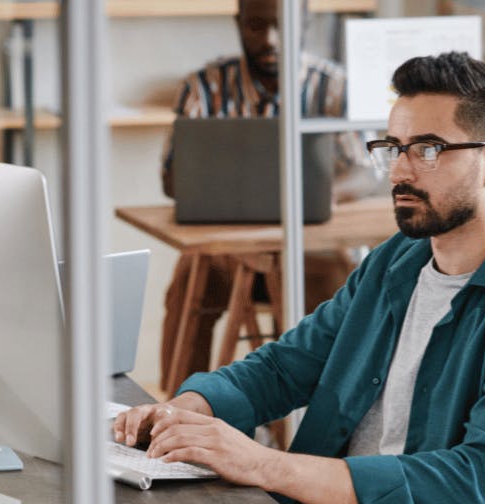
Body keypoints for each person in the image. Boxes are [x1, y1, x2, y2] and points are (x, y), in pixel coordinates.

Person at [118, 52, 485, 504]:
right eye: (393, 148)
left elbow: (478, 482)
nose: (399, 171)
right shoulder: (397, 261)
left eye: (428, 149)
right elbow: (284, 367)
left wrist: (262, 464)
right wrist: (183, 412)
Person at [159, 0, 378, 383]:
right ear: (238, 24)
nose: (270, 40)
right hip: (228, 248)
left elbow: (367, 169)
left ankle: (330, 419)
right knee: (188, 285)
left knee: (346, 291)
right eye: (256, 26)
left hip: (310, 249)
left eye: (281, 27)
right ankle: (174, 414)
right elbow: (172, 178)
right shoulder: (204, 88)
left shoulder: (334, 86)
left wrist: (328, 192)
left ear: (304, 24)